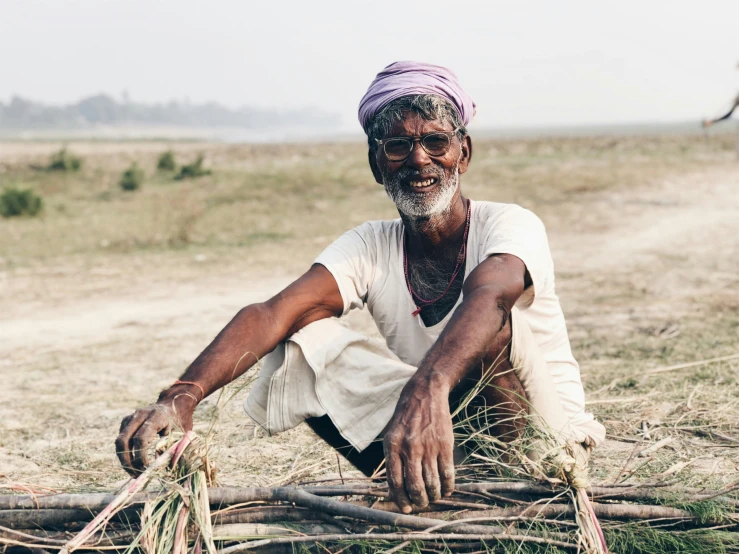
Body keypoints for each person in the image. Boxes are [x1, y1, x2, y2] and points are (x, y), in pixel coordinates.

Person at [116, 61, 605, 514]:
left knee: (496, 325)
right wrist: (181, 395)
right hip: (439, 428)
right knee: (300, 337)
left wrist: (427, 385)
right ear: (376, 165)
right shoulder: (371, 244)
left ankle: (512, 497)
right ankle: (418, 487)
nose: (419, 160)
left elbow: (492, 297)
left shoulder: (509, 224)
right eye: (397, 146)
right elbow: (272, 313)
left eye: (436, 142)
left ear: (464, 154)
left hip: (546, 444)